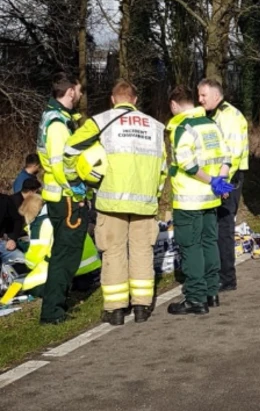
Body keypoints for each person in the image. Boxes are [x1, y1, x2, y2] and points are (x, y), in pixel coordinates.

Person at [64, 80, 166, 326]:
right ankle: (142, 306)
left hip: (111, 202)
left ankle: (116, 309)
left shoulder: (100, 121)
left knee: (113, 252)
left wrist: (74, 180)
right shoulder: (155, 127)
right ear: (135, 99)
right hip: (145, 202)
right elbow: (162, 168)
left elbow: (70, 150)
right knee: (142, 251)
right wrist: (156, 193)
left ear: (112, 99)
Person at [167, 85, 234, 315]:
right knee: (209, 243)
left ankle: (195, 298)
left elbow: (188, 164)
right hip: (210, 200)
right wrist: (220, 181)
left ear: (174, 105)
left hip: (189, 201)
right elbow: (227, 156)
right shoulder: (211, 124)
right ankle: (211, 292)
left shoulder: (182, 127)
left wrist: (210, 180)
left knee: (191, 247)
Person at [37, 72, 86, 325]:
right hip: (65, 197)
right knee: (65, 255)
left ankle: (58, 302)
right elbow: (59, 164)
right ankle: (53, 311)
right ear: (69, 92)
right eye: (78, 91)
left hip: (59, 195)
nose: (80, 95)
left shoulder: (57, 118)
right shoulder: (57, 124)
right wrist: (76, 190)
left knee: (64, 254)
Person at [197, 79, 249, 292]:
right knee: (217, 227)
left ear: (216, 96)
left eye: (203, 96)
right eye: (199, 96)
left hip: (229, 178)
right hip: (220, 178)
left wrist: (224, 183)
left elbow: (232, 152)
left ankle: (226, 278)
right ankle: (218, 274)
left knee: (223, 228)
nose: (199, 100)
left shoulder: (228, 117)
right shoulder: (216, 115)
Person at [17, 181, 101, 296]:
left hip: (73, 268)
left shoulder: (40, 224)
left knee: (33, 286)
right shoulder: (63, 214)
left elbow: (35, 259)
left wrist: (25, 260)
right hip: (92, 265)